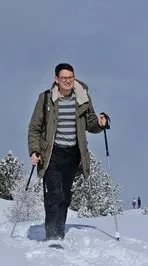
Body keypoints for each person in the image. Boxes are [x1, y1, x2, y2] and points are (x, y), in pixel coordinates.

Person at [27, 63, 109, 241]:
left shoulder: (82, 97)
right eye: (64, 78)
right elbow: (34, 128)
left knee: (64, 195)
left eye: (70, 78)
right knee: (54, 193)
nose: (67, 81)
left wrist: (101, 124)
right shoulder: (46, 98)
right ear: (56, 79)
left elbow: (91, 123)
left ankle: (59, 231)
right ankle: (52, 234)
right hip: (52, 154)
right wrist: (34, 151)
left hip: (73, 155)